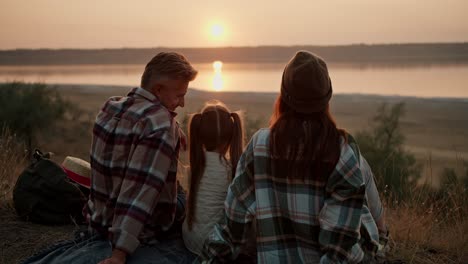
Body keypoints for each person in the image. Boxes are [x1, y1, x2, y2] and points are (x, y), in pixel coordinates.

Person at [201, 51, 388, 263]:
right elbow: (339, 251)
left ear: (283, 96)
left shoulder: (259, 144)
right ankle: (382, 237)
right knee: (361, 165)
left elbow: (232, 225)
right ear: (326, 99)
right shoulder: (341, 151)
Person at [22, 52, 198, 264]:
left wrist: (173, 127)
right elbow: (138, 195)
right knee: (185, 200)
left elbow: (141, 119)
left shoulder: (110, 106)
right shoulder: (159, 126)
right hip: (143, 228)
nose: (182, 103)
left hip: (101, 218)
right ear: (158, 89)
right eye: (179, 95)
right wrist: (119, 253)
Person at [181, 101, 244, 256]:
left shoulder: (193, 169)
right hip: (214, 244)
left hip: (189, 239)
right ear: (231, 136)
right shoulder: (232, 171)